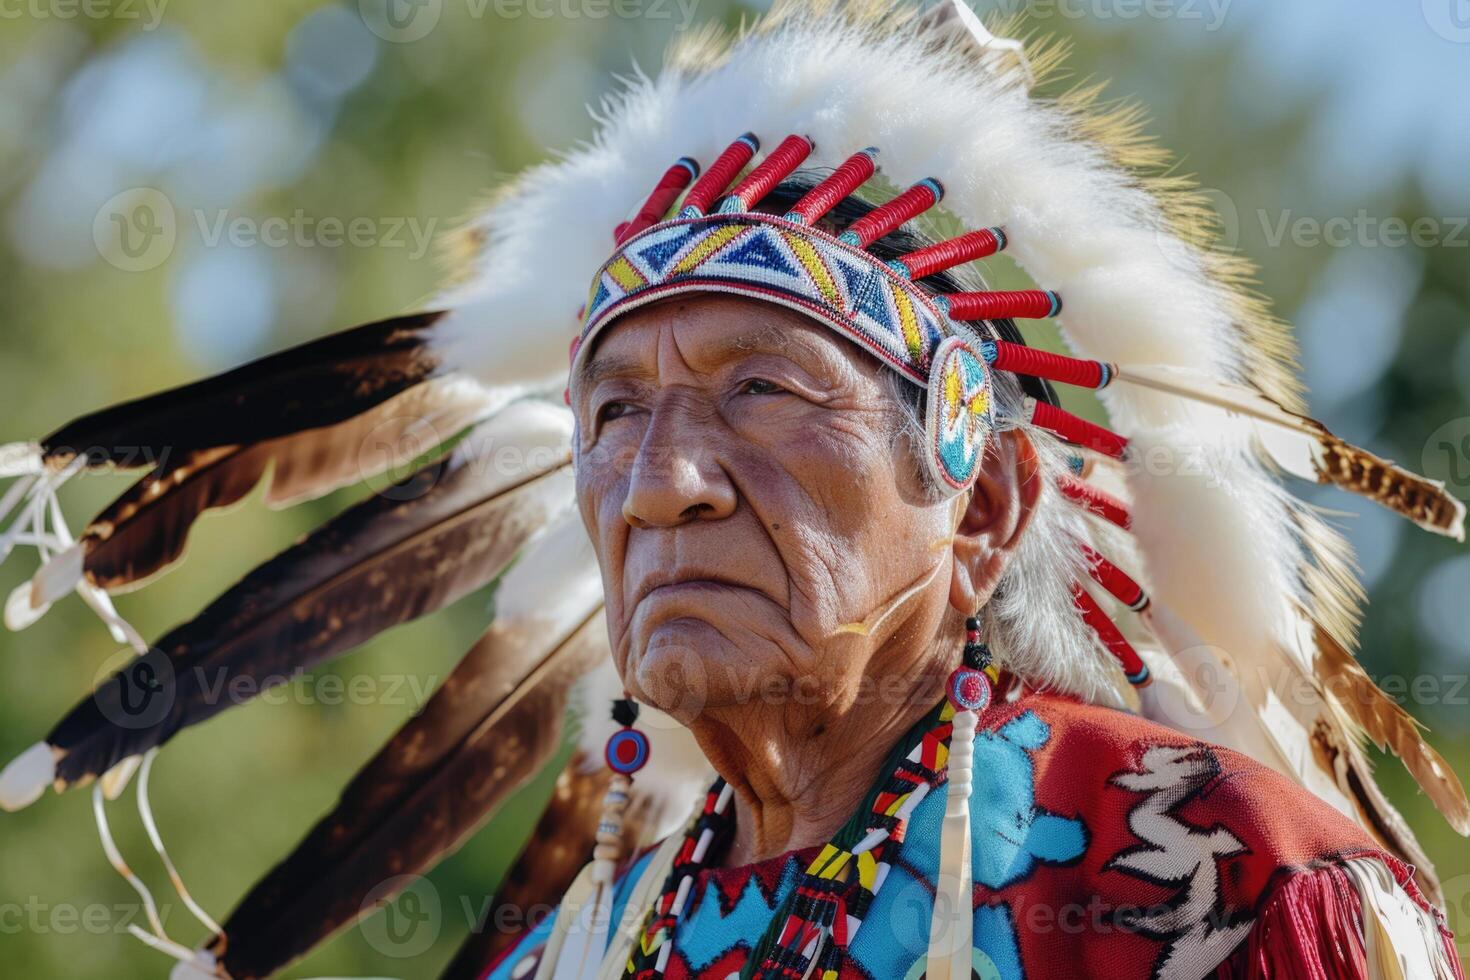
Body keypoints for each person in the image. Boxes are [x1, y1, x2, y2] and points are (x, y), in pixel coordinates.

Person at [0, 3, 1463, 979]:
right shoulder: (572, 952)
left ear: (987, 500)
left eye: (761, 391)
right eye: (612, 414)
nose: (659, 485)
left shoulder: (1225, 881)